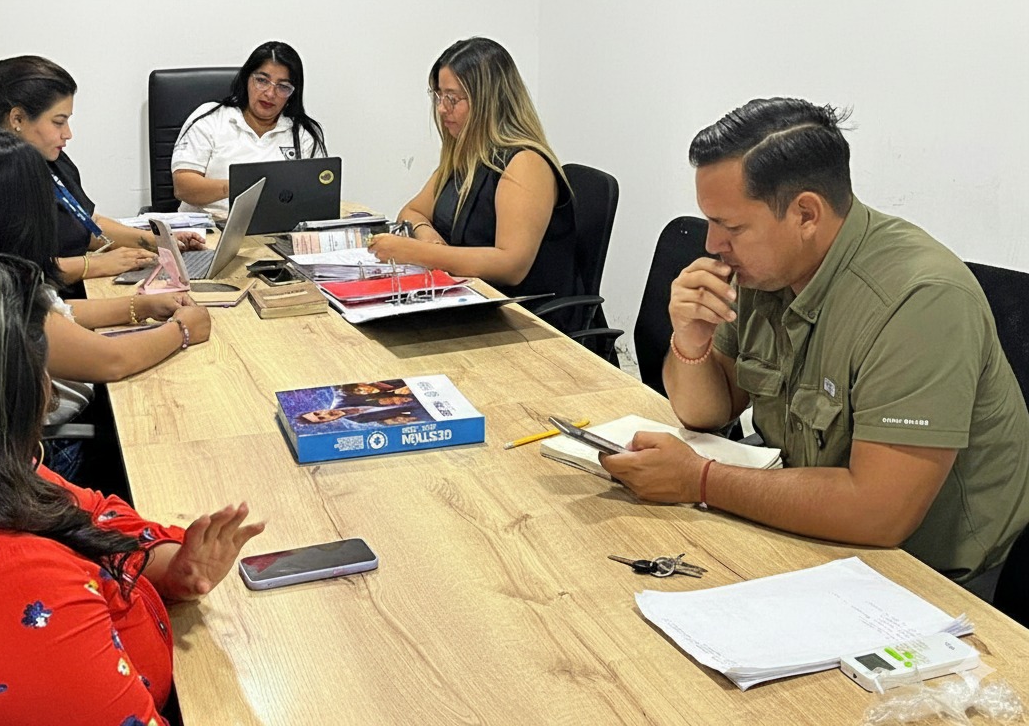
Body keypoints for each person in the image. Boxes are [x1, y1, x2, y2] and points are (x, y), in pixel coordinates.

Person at [600, 97, 1029, 598]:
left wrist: (700, 480)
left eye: (731, 226)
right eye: (710, 221)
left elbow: (879, 512)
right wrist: (692, 341)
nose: (713, 244)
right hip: (804, 525)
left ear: (806, 213)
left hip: (928, 577)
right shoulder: (768, 270)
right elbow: (708, 412)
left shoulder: (920, 300)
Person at [0, 247, 265, 725]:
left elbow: (92, 512)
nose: (47, 392)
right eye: (39, 367)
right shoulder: (14, 596)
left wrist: (171, 566)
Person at [0, 129, 212, 481]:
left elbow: (59, 314)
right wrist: (183, 330)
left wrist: (141, 307)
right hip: (50, 455)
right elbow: (112, 360)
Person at [367, 37, 580, 330]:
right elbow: (412, 211)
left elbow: (511, 265)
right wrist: (428, 237)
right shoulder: (466, 155)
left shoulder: (526, 163)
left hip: (523, 321)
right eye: (438, 96)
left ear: (488, 101)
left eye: (452, 99)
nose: (442, 109)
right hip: (470, 304)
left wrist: (417, 252)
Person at [0, 55, 206, 286]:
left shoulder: (52, 160)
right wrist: (95, 264)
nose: (68, 134)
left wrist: (161, 242)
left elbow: (88, 223)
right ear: (18, 119)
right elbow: (11, 273)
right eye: (58, 122)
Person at [171, 41, 326, 216]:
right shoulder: (211, 118)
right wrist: (241, 187)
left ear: (292, 93)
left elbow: (317, 195)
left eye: (283, 87)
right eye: (262, 81)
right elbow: (183, 186)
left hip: (276, 228)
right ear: (246, 79)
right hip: (208, 226)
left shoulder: (303, 133)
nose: (270, 93)